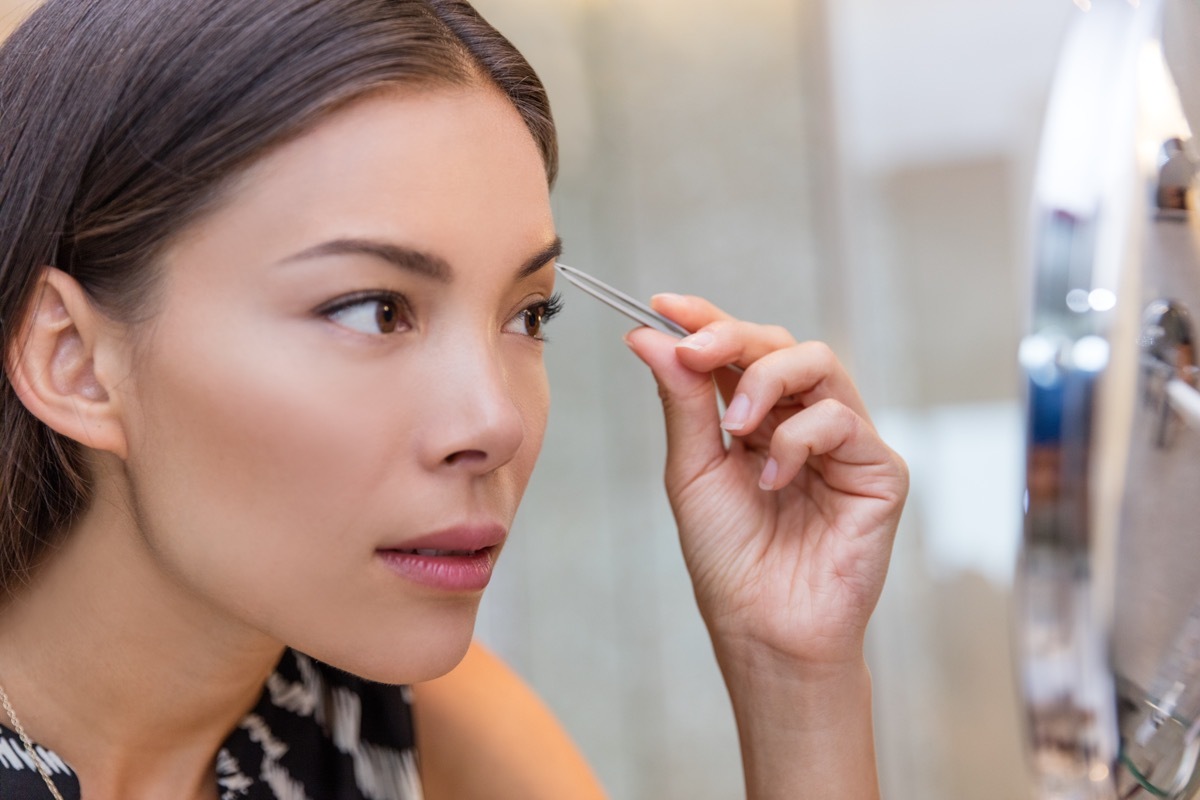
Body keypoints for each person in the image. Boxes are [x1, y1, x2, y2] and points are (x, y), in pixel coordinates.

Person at [0, 0, 909, 798]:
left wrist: (794, 679)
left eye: (528, 311)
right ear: (73, 359)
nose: (495, 423)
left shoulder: (413, 727)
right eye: (373, 310)